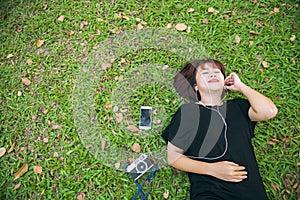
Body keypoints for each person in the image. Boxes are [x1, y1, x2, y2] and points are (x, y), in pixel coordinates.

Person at [162, 59, 277, 200]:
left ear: (224, 82)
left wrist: (240, 86)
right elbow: (173, 158)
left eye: (217, 72)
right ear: (196, 86)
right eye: (205, 73)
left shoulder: (239, 107)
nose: (212, 75)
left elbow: (269, 111)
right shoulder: (189, 113)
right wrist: (213, 169)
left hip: (251, 192)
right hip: (211, 192)